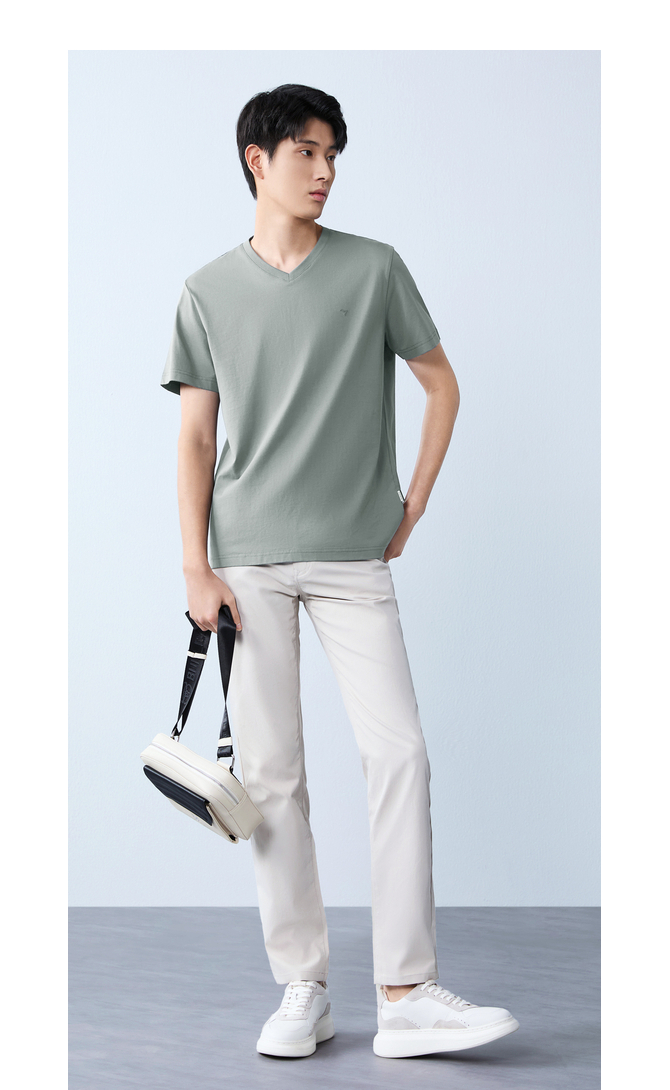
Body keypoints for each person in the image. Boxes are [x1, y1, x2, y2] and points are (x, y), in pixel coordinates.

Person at [160, 83, 519, 1060]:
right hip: (247, 562)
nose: (324, 172)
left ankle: (406, 992)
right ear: (258, 160)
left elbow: (441, 385)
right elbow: (196, 439)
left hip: (353, 555)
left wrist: (415, 502)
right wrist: (194, 564)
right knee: (272, 775)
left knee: (398, 753)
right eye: (306, 153)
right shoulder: (206, 291)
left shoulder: (373, 269)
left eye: (332, 156)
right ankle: (302, 986)